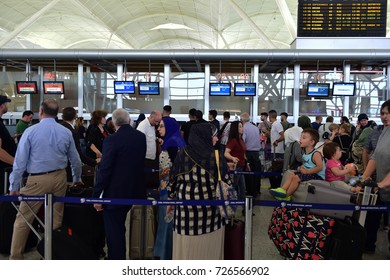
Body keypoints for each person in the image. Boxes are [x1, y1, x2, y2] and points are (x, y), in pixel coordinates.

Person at [8, 99, 82, 260]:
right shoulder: (65, 132)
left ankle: (16, 258)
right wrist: (77, 178)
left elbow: (20, 162)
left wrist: (13, 186)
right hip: (60, 177)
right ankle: (52, 255)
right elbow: (75, 159)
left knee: (23, 219)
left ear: (40, 112)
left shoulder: (30, 131)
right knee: (56, 218)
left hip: (37, 179)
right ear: (57, 115)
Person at [166, 123, 227, 259]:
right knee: (209, 251)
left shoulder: (182, 154)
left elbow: (172, 182)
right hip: (211, 215)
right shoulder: (216, 157)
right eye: (213, 136)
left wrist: (170, 200)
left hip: (185, 214)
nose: (216, 139)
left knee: (186, 251)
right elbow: (227, 183)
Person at [92, 108, 146, 260]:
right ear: (129, 121)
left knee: (115, 233)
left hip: (115, 194)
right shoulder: (140, 137)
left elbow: (105, 169)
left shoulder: (111, 140)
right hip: (135, 190)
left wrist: (96, 195)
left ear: (113, 123)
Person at [153, 117, 185, 260]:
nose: (158, 129)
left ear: (169, 127)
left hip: (170, 191)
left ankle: (166, 255)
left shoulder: (172, 143)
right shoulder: (173, 141)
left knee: (167, 222)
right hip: (168, 188)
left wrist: (167, 187)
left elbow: (175, 169)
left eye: (161, 126)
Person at [362, 100, 390, 253]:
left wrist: (383, 184)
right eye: (382, 113)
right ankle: (368, 247)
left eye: (388, 113)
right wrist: (363, 178)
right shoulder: (384, 131)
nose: (384, 117)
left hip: (384, 184)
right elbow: (375, 157)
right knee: (371, 219)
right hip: (380, 185)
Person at [269, 128, 325, 201]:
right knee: (292, 175)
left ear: (311, 142)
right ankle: (282, 190)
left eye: (303, 138)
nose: (300, 139)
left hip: (318, 176)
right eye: (300, 137)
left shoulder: (316, 154)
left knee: (296, 178)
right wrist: (301, 168)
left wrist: (307, 172)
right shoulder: (305, 153)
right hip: (310, 173)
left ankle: (286, 195)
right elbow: (307, 164)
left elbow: (320, 167)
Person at [61, 107, 98, 180]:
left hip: (59, 167)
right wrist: (94, 162)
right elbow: (77, 155)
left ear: (62, 117)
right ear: (75, 116)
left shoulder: (59, 128)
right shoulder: (73, 132)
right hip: (69, 169)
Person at [137, 110, 162, 190]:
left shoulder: (151, 125)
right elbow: (139, 142)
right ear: (151, 117)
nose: (157, 124)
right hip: (145, 159)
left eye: (158, 122)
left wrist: (157, 139)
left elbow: (150, 138)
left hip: (151, 158)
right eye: (156, 121)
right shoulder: (142, 126)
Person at [224, 120, 248, 200]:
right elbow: (226, 153)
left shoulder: (241, 140)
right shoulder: (233, 140)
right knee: (233, 187)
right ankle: (230, 205)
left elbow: (242, 152)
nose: (242, 128)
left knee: (242, 188)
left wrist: (246, 162)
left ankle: (243, 207)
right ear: (235, 129)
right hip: (235, 167)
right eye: (240, 127)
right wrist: (233, 158)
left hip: (241, 166)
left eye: (242, 126)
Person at [240, 112, 261, 197]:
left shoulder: (244, 128)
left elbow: (243, 142)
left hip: (248, 153)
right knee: (256, 172)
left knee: (249, 173)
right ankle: (257, 189)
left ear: (241, 120)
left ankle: (250, 191)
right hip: (256, 153)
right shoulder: (255, 128)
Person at [0, 95, 16, 191]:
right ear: (2, 106)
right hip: (2, 172)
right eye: (6, 103)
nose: (7, 106)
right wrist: (16, 163)